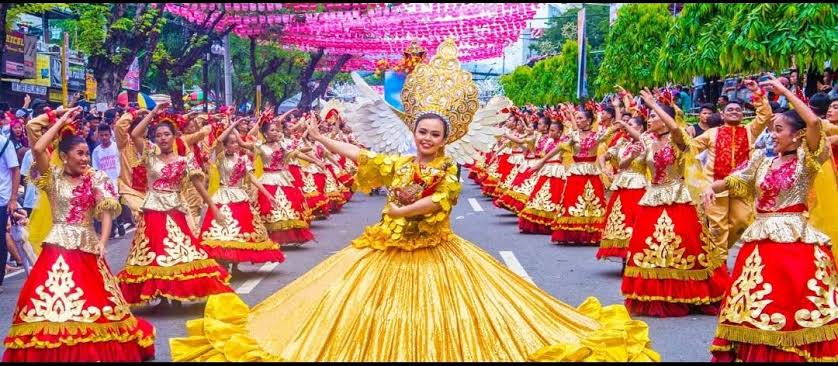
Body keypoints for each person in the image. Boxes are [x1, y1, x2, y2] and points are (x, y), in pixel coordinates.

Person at [169, 39, 659, 362]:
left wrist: (403, 208)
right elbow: (362, 155)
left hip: (435, 251)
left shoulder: (447, 169)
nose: (426, 138)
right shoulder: (400, 162)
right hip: (387, 247)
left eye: (434, 134)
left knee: (447, 322)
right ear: (414, 132)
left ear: (446, 139)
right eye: (421, 131)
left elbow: (439, 203)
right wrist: (320, 139)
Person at [703, 77, 838, 362]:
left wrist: (785, 91)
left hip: (795, 242)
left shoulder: (808, 160)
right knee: (756, 303)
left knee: (792, 304)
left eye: (778, 129)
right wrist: (709, 187)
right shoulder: (762, 161)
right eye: (771, 130)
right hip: (759, 243)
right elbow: (733, 181)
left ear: (797, 135)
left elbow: (814, 123)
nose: (772, 135)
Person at [4, 107, 154, 361]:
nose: (85, 159)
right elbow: (38, 147)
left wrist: (103, 242)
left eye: (86, 153)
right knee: (48, 304)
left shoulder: (95, 178)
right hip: (57, 247)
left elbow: (106, 210)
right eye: (80, 153)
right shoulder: (52, 178)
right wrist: (59, 119)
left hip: (87, 247)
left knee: (93, 303)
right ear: (64, 156)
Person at [620, 89, 730, 317]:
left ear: (665, 119)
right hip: (652, 198)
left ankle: (690, 293)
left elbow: (676, 129)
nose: (649, 119)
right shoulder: (647, 141)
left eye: (653, 116)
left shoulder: (679, 140)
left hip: (677, 198)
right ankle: (656, 293)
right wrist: (631, 155)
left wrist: (654, 104)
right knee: (648, 247)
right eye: (650, 115)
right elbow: (623, 166)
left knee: (685, 247)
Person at [116, 102, 232, 306]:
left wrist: (214, 208)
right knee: (156, 252)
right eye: (158, 135)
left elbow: (199, 186)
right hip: (153, 210)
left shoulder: (185, 160)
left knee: (180, 251)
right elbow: (134, 134)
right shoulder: (150, 155)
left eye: (166, 134)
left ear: (175, 136)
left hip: (176, 210)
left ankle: (176, 293)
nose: (162, 138)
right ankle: (162, 295)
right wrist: (153, 112)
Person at [693, 81, 772, 251]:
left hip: (741, 186)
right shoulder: (712, 133)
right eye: (730, 110)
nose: (734, 112)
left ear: (743, 114)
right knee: (718, 227)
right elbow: (691, 147)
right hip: (715, 186)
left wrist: (757, 92)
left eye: (737, 110)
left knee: (742, 222)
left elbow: (765, 115)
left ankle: (715, 253)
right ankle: (719, 261)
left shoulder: (750, 131)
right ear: (722, 114)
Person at [199, 120, 285, 266]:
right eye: (232, 143)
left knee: (242, 231)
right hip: (223, 196)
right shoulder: (220, 157)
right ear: (225, 146)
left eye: (236, 143)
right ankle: (223, 262)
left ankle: (235, 265)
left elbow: (252, 178)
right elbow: (218, 140)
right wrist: (233, 125)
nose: (236, 145)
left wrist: (268, 195)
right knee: (223, 231)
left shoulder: (242, 159)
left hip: (240, 196)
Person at [597, 116, 648, 262]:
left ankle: (636, 254)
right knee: (620, 219)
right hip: (621, 186)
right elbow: (603, 156)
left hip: (638, 185)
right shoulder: (622, 143)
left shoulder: (646, 143)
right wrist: (603, 168)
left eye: (630, 124)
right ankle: (624, 255)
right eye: (626, 124)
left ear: (640, 127)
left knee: (635, 220)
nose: (626, 127)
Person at [91, 124, 125, 237]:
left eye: (106, 135)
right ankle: (111, 228)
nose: (104, 137)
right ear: (98, 136)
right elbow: (96, 169)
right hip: (105, 183)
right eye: (101, 135)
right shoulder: (96, 151)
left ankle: (120, 222)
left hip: (117, 180)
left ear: (110, 135)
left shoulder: (116, 147)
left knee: (118, 203)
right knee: (108, 206)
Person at [0, 125, 20, 293]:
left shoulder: (5, 143)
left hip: (2, 199)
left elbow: (15, 170)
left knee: (0, 239)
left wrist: (13, 198)